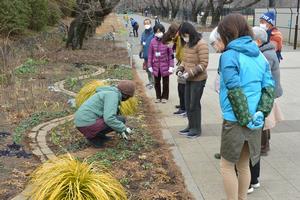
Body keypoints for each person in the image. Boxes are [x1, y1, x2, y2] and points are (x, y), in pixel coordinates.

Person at [217, 14, 275, 200]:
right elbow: (269, 88)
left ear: (227, 33)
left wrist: (245, 118)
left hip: (235, 119)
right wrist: (260, 113)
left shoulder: (229, 55)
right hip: (255, 119)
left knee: (227, 166)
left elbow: (234, 89)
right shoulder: (259, 55)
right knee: (243, 165)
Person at [247, 26, 284, 194]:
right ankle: (255, 178)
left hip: (263, 100)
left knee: (259, 132)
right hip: (264, 98)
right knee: (262, 129)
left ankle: (253, 177)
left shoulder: (265, 56)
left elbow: (258, 78)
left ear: (258, 41)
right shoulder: (266, 52)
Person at [74, 80, 136, 148]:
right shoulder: (113, 96)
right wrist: (123, 129)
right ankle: (94, 138)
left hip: (81, 122)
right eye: (129, 97)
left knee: (117, 116)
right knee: (120, 120)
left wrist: (120, 130)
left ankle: (99, 136)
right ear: (126, 95)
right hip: (86, 124)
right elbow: (109, 118)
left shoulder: (109, 92)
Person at [177, 22, 209, 138]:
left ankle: (196, 129)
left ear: (190, 33)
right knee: (187, 103)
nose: (184, 38)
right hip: (188, 79)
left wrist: (189, 73)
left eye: (185, 35)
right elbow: (184, 60)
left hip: (198, 79)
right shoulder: (187, 44)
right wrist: (180, 69)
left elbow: (203, 64)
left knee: (194, 104)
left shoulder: (201, 44)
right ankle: (190, 126)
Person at [162, 23, 186, 115]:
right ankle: (182, 104)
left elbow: (183, 53)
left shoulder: (181, 38)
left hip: (184, 64)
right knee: (180, 86)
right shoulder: (177, 39)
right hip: (181, 63)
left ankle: (184, 107)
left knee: (182, 87)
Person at [209, 26, 225, 159]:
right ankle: (225, 150)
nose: (214, 47)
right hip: (227, 103)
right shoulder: (225, 55)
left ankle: (227, 153)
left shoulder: (229, 56)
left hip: (234, 107)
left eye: (214, 44)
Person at [148, 23, 174, 103]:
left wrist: (171, 66)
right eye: (156, 31)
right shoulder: (152, 41)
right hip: (156, 65)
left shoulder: (167, 40)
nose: (158, 33)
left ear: (163, 31)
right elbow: (150, 54)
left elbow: (171, 54)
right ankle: (158, 97)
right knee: (157, 82)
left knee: (166, 82)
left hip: (165, 65)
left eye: (159, 31)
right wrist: (149, 65)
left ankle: (165, 97)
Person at [140, 19, 155, 89]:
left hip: (152, 55)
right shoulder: (143, 33)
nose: (147, 25)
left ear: (150, 24)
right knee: (147, 70)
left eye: (148, 23)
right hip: (145, 55)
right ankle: (150, 82)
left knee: (152, 69)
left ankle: (153, 83)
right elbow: (142, 43)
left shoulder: (153, 34)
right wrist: (141, 51)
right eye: (145, 23)